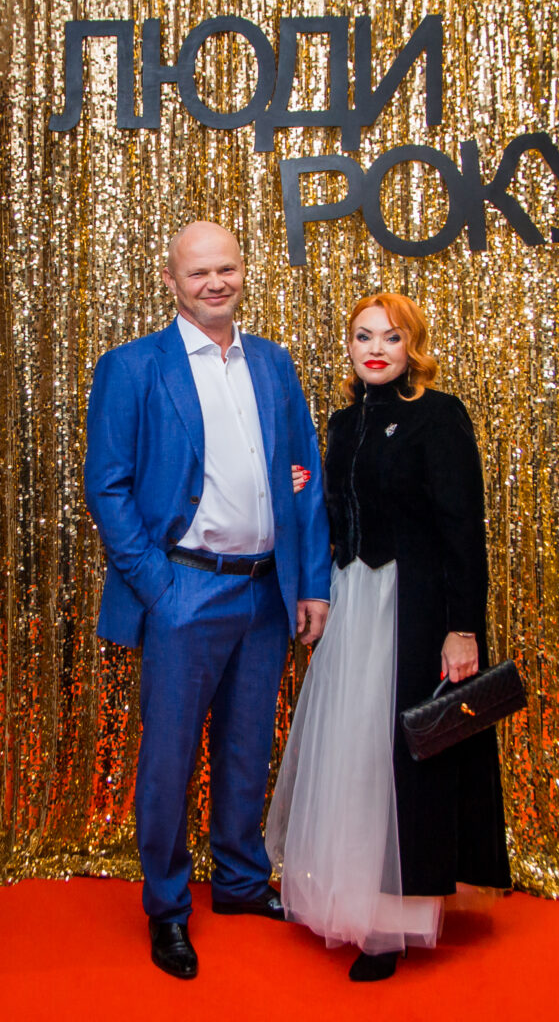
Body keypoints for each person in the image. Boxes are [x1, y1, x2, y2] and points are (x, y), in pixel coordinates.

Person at [84, 222, 331, 979]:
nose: (214, 282)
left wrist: (310, 581)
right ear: (171, 281)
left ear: (243, 271)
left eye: (226, 268)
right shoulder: (133, 367)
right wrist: (159, 587)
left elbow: (305, 474)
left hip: (266, 590)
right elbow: (108, 488)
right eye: (198, 273)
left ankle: (241, 882)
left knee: (248, 746)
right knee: (168, 758)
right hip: (184, 587)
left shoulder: (273, 362)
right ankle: (167, 907)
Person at [266, 293, 511, 982]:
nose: (375, 349)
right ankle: (348, 897)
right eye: (363, 336)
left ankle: (390, 926)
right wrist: (303, 495)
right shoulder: (343, 423)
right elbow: (337, 516)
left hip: (415, 612)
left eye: (391, 337)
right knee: (353, 755)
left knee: (402, 758)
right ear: (348, 346)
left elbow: (462, 530)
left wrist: (462, 628)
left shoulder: (439, 415)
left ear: (412, 347)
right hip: (353, 605)